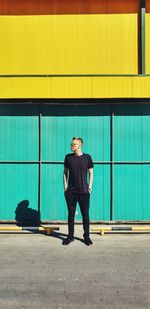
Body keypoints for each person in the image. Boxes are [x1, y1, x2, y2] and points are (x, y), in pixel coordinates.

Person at [63, 137, 94, 246]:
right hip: (71, 192)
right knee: (71, 214)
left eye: (74, 144)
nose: (72, 145)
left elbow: (91, 173)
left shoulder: (87, 157)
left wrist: (90, 187)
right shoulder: (68, 158)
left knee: (85, 215)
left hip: (84, 191)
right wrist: (65, 187)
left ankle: (87, 237)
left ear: (80, 145)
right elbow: (65, 173)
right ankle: (70, 236)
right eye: (71, 144)